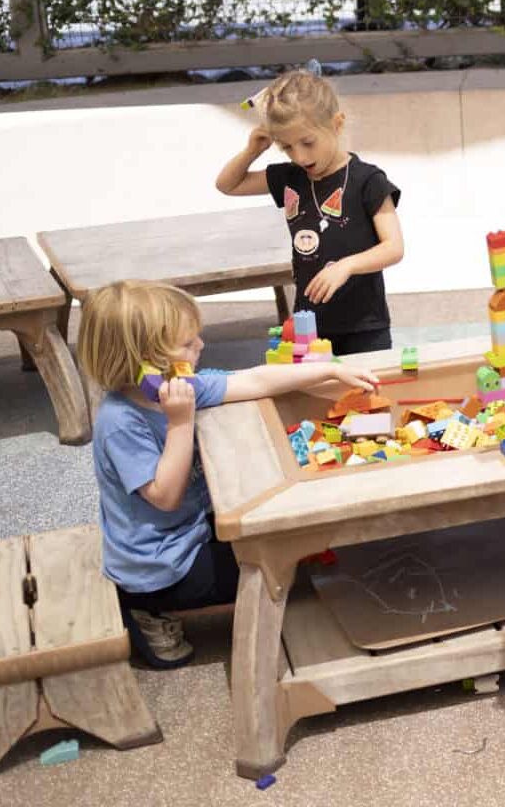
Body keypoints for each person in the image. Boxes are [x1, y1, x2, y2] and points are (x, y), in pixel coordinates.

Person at [77, 280, 380, 667]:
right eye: (187, 344)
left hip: (195, 527)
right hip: (161, 565)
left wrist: (330, 371)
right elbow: (166, 498)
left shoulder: (176, 385)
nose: (200, 346)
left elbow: (252, 380)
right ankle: (144, 607)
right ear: (143, 360)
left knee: (282, 542)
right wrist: (180, 423)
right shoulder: (121, 422)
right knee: (278, 564)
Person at [216, 67, 404, 354]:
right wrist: (252, 151)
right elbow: (228, 185)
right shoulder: (291, 177)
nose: (300, 156)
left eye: (307, 142)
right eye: (287, 147)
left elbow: (394, 248)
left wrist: (347, 266)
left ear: (336, 124)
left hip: (364, 325)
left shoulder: (367, 180)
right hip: (308, 326)